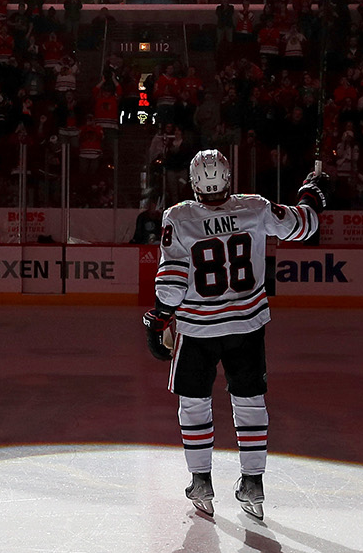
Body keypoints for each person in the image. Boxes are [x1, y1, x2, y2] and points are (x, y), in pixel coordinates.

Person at [142, 149, 332, 520]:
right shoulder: (255, 207)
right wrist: (312, 192)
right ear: (228, 177)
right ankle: (253, 482)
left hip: (198, 328)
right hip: (247, 325)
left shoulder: (178, 217)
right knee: (250, 401)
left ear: (194, 182)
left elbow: (172, 280)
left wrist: (160, 317)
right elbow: (305, 225)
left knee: (193, 402)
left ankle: (201, 480)